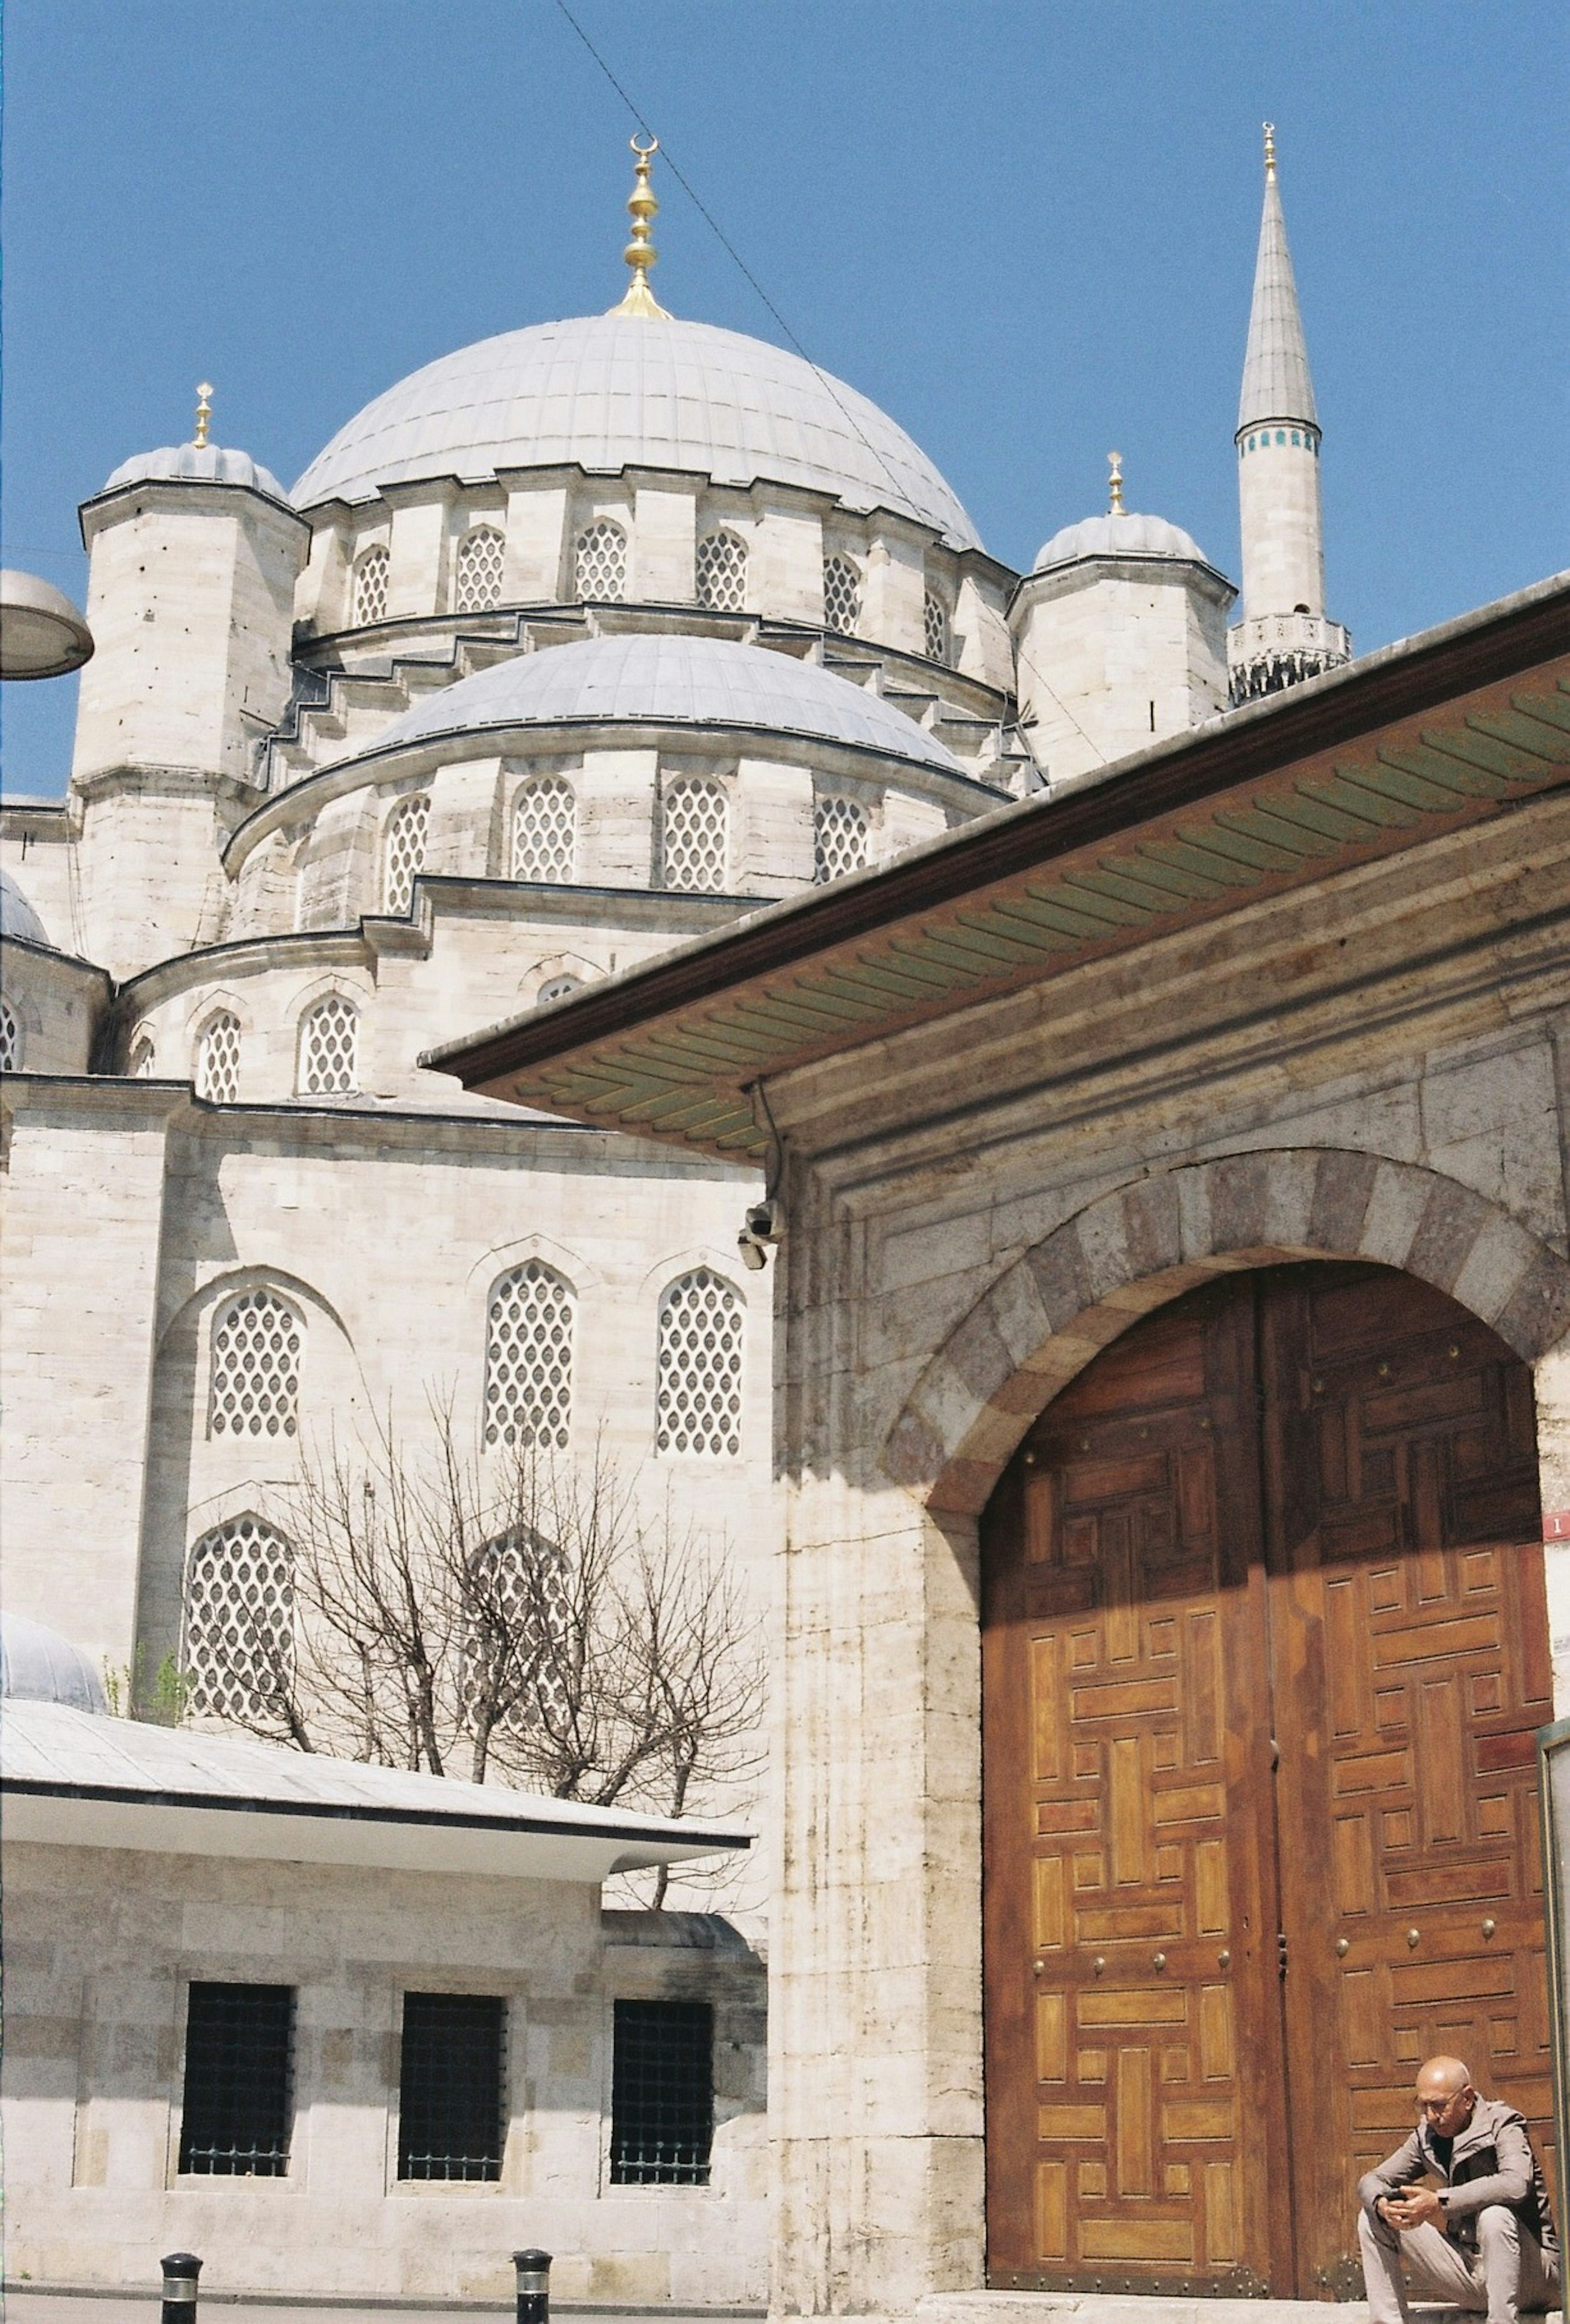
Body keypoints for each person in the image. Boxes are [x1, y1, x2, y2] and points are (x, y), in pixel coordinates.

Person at [1357, 2055, 1560, 2324]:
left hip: (1534, 2278)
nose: (1431, 2116)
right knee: (1372, 2215)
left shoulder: (1503, 2124)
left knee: (1495, 2216)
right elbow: (1372, 2180)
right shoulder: (1426, 2137)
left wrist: (1439, 2201)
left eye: (1439, 2106)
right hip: (1472, 2271)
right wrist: (1384, 2205)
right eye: (1424, 2105)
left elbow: (1515, 2184)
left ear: (1467, 2098)